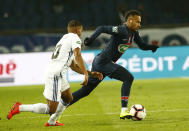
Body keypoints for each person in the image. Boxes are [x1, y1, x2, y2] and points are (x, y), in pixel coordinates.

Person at [57, 10, 159, 121]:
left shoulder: (134, 33)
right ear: (129, 20)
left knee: (85, 91)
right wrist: (91, 40)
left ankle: (58, 108)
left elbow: (142, 45)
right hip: (103, 62)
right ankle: (124, 111)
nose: (139, 24)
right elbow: (101, 28)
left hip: (101, 62)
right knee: (128, 78)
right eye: (137, 22)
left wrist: (151, 47)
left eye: (140, 22)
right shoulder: (121, 30)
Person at [7, 20, 103, 126]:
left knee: (68, 98)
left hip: (58, 74)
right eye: (81, 31)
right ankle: (19, 107)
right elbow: (78, 55)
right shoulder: (75, 38)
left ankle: (52, 121)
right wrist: (85, 74)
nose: (81, 33)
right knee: (51, 109)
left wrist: (91, 73)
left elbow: (74, 66)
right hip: (55, 75)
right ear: (78, 30)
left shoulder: (65, 39)